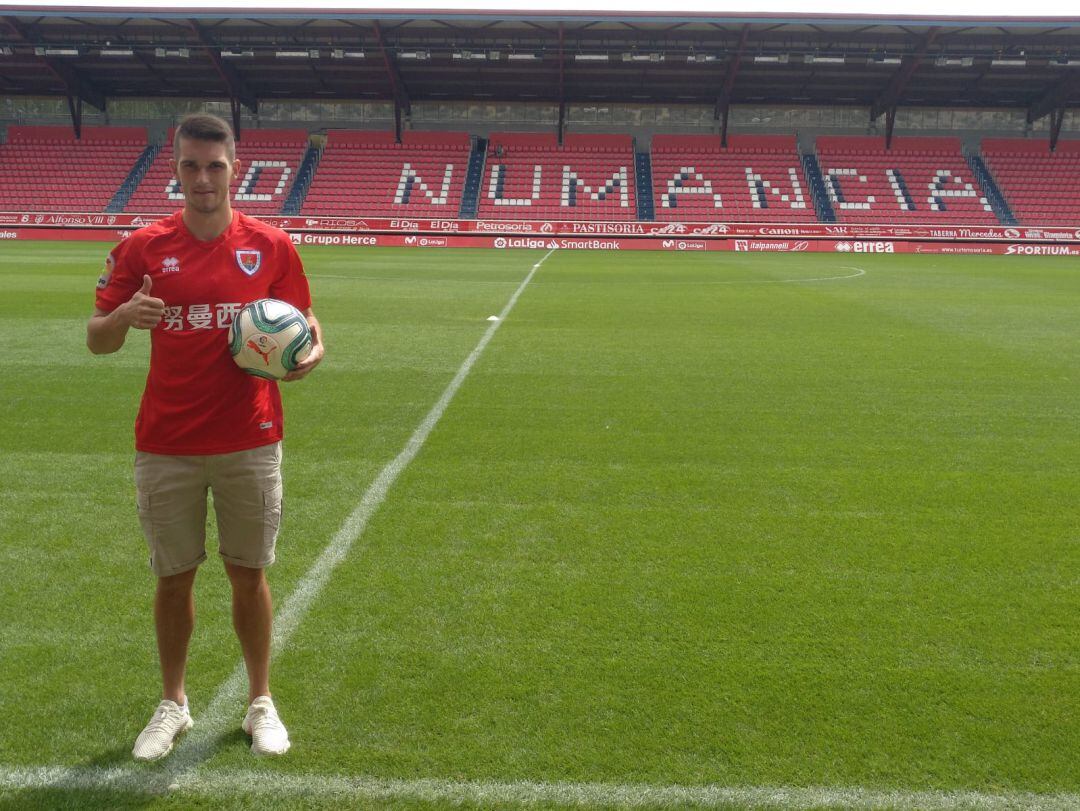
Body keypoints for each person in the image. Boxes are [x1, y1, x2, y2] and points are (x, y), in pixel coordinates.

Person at [87, 112, 324, 761]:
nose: (202, 178)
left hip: (250, 437)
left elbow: (304, 320)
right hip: (166, 442)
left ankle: (260, 701)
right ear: (175, 168)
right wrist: (124, 317)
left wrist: (312, 350)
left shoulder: (270, 245)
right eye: (190, 165)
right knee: (174, 577)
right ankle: (174, 702)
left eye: (214, 166)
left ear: (234, 169)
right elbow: (96, 336)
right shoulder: (143, 248)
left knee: (249, 574)